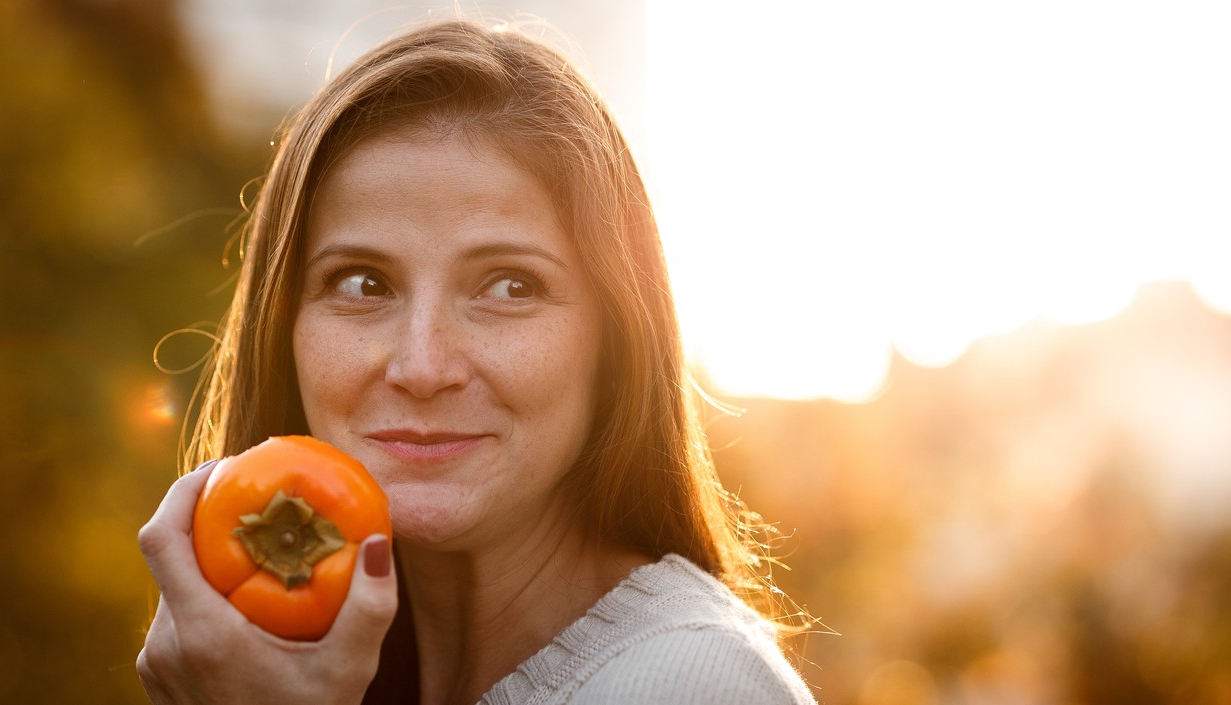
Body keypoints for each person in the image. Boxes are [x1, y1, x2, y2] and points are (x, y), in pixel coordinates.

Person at [137, 17, 816, 705]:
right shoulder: (294, 673)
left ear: (615, 341)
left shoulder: (693, 685)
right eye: (363, 284)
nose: (422, 366)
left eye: (511, 286)